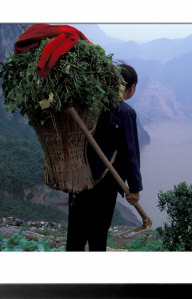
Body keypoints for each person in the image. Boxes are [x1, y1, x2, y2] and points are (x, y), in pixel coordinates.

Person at [66, 63, 142, 251]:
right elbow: (130, 152)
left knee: (75, 235)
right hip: (104, 184)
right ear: (131, 88)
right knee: (98, 235)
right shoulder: (125, 112)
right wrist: (134, 188)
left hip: (79, 178)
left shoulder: (89, 105)